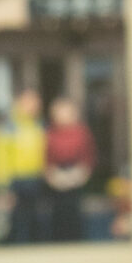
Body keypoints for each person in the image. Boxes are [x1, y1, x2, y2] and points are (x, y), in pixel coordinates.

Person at [0, 90, 48, 244]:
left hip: (35, 179)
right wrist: (3, 185)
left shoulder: (39, 126)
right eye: (29, 102)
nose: (33, 107)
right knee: (16, 222)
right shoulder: (7, 128)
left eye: (36, 103)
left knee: (36, 221)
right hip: (15, 181)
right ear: (19, 103)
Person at [44, 96, 98, 242]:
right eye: (59, 112)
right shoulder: (50, 133)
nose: (62, 116)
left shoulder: (81, 132)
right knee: (59, 211)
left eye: (65, 112)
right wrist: (50, 173)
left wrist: (84, 172)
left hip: (76, 173)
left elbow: (89, 154)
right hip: (57, 175)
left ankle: (77, 240)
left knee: (74, 210)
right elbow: (46, 156)